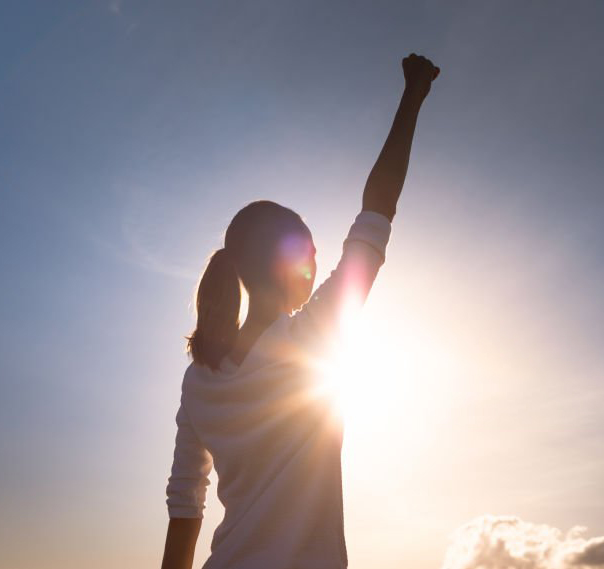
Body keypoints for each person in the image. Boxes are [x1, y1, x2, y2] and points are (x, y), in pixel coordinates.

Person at [160, 53, 440, 569]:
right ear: (286, 264)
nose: (316, 268)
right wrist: (413, 96)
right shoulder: (313, 337)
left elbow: (184, 504)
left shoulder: (198, 379)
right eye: (310, 256)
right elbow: (378, 210)